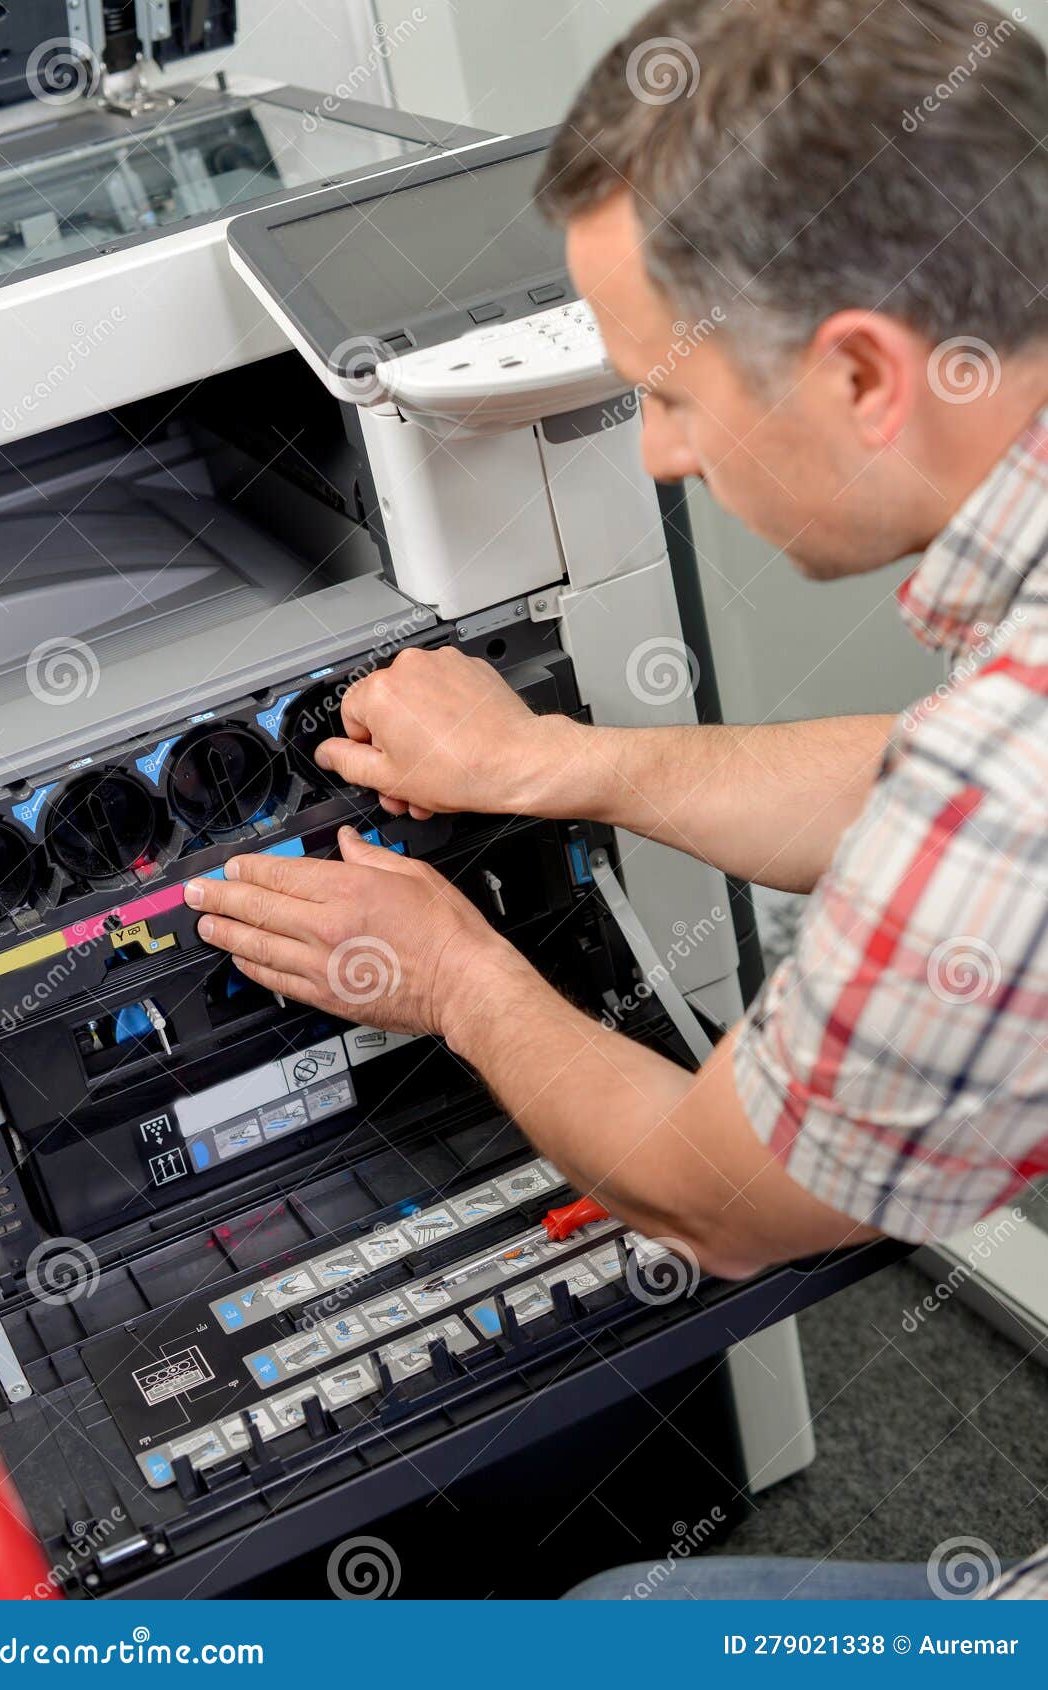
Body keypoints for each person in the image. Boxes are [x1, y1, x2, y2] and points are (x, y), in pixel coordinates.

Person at [184, 0, 1048, 1599]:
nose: (654, 456)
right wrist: (563, 764)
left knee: (620, 1614)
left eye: (671, 391)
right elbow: (925, 782)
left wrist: (452, 971)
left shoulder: (1009, 800)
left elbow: (715, 1199)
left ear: (865, 372)